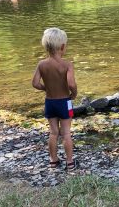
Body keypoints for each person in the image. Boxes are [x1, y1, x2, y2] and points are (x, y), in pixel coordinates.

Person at [32, 28, 77, 170]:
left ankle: (53, 161)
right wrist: (74, 93)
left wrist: (46, 88)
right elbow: (71, 84)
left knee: (53, 133)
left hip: (50, 102)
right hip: (65, 102)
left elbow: (35, 83)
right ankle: (69, 163)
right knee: (66, 133)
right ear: (63, 47)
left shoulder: (41, 64)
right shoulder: (67, 64)